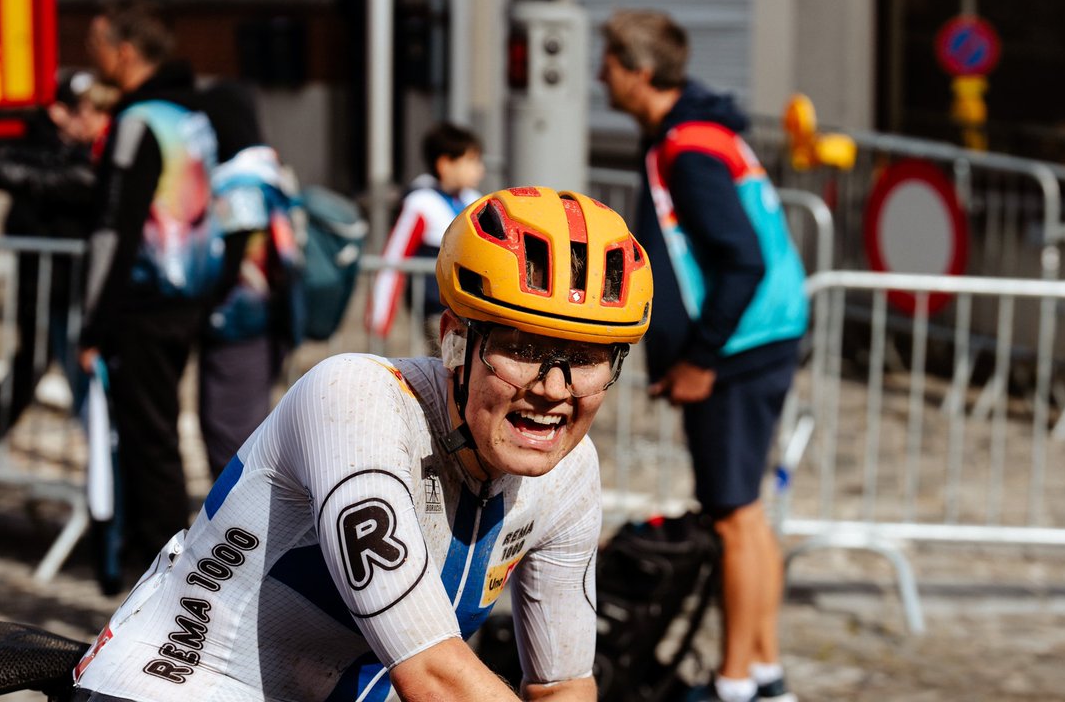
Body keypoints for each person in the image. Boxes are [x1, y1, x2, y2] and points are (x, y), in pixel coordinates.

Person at [70, 186, 653, 702]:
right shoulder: (355, 400)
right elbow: (434, 676)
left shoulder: (570, 472)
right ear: (455, 339)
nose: (554, 390)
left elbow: (562, 686)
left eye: (585, 359)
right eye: (521, 349)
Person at [598, 9, 808, 702]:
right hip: (764, 336)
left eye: (608, 61)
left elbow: (739, 260)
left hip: (739, 347)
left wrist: (699, 359)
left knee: (732, 516)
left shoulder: (686, 147)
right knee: (744, 513)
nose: (600, 74)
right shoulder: (699, 132)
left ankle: (735, 684)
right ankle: (766, 671)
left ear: (639, 72)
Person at [79, 0, 220, 565]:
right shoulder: (193, 116)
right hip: (185, 295)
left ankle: (155, 584)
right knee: (156, 441)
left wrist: (93, 324)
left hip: (143, 301)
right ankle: (156, 575)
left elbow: (114, 228)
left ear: (125, 52)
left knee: (148, 447)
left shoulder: (137, 122)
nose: (95, 62)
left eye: (98, 50)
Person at [0, 70, 119, 463]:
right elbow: (24, 177)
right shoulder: (48, 143)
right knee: (32, 364)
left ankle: (105, 478)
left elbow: (46, 182)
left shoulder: (100, 159)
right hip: (47, 287)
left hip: (81, 293)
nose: (76, 120)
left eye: (86, 111)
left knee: (84, 386)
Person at [196, 78, 299, 480]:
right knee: (242, 431)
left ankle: (230, 535)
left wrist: (202, 303)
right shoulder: (268, 173)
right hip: (264, 324)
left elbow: (238, 248)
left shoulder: (240, 183)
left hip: (239, 325)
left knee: (228, 434)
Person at [365, 121, 484, 346]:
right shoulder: (420, 203)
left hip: (475, 312)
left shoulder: (473, 200)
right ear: (445, 164)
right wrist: (379, 320)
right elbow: (394, 258)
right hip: (437, 312)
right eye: (471, 161)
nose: (480, 169)